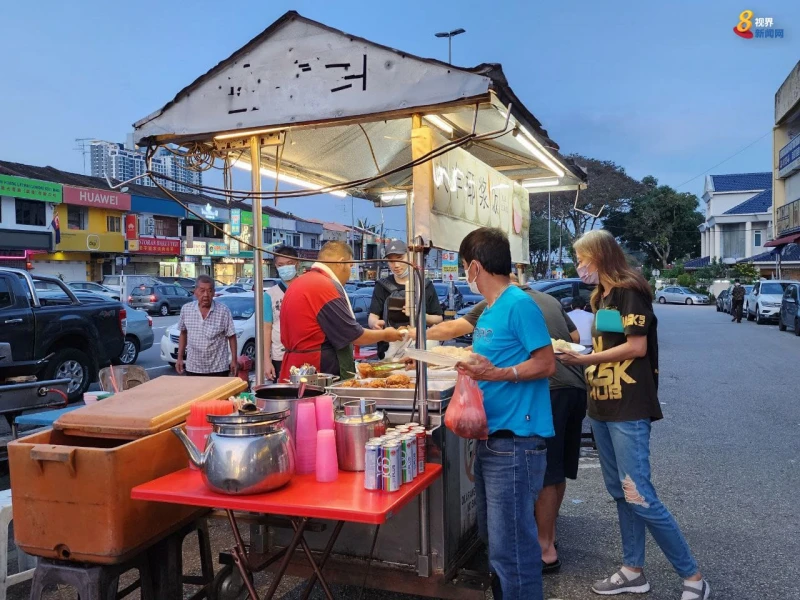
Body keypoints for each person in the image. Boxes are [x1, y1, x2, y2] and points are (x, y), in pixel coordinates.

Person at [558, 230, 710, 600]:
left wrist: (584, 358)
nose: (579, 266)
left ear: (601, 256)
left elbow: (636, 347)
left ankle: (694, 578)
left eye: (583, 259)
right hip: (601, 404)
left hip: (628, 405)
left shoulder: (629, 289)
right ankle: (632, 570)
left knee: (638, 493)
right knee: (619, 493)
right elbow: (607, 342)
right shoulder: (601, 296)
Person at [421, 281, 585, 574]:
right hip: (574, 384)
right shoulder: (543, 299)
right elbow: (574, 336)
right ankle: (548, 539)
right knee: (555, 468)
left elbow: (455, 328)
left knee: (542, 476)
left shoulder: (503, 304)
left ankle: (544, 548)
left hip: (546, 392)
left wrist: (412, 333)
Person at [453, 227, 556, 600]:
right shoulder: (492, 310)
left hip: (515, 445)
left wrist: (496, 373)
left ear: (476, 267)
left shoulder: (519, 304)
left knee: (513, 551)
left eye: (465, 267)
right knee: (495, 543)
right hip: (491, 439)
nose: (466, 274)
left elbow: (546, 364)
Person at [279, 241, 404, 381]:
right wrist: (385, 334)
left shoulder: (301, 281)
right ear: (341, 262)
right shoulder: (324, 286)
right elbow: (353, 335)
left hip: (297, 368)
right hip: (315, 373)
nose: (350, 273)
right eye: (350, 266)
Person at [368, 239, 443, 359]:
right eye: (391, 261)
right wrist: (374, 324)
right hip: (389, 351)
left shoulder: (424, 285)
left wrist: (419, 315)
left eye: (400, 258)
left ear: (410, 257)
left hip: (420, 349)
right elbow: (373, 316)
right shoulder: (381, 286)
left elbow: (438, 318)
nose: (396, 265)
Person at [176, 275, 238, 377]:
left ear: (213, 293)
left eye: (209, 291)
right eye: (202, 290)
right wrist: (179, 358)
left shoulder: (223, 311)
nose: (205, 295)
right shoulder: (186, 309)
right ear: (195, 292)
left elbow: (231, 336)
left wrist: (234, 360)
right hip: (194, 367)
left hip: (218, 368)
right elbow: (183, 333)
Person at [263, 245, 300, 380]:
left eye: (289, 264)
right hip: (279, 356)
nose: (285, 267)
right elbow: (266, 329)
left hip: (303, 353)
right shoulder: (270, 295)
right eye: (280, 265)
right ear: (276, 266)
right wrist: (266, 361)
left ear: (297, 263)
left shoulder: (306, 288)